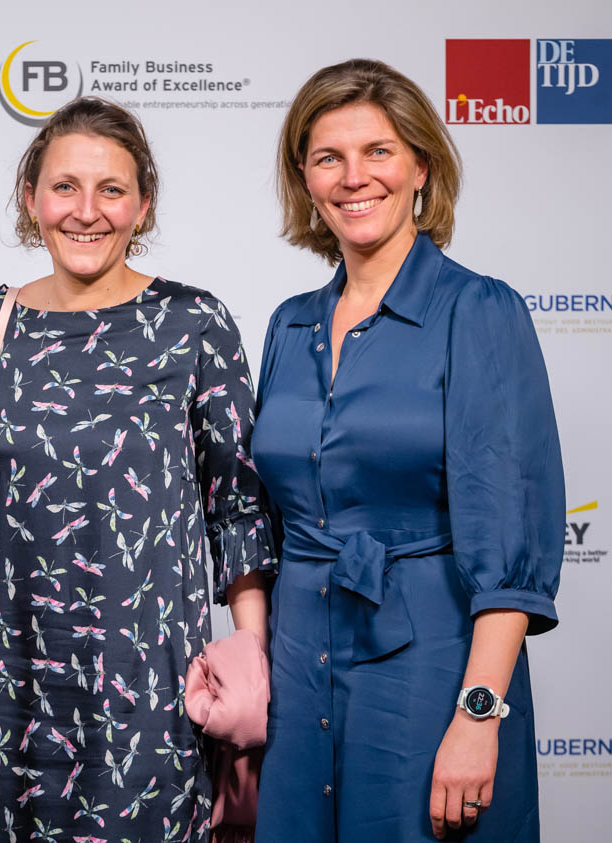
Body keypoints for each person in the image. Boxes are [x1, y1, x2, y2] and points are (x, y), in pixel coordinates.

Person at [0, 96, 276, 842]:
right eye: (65, 187)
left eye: (111, 189)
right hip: (8, 688)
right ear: (31, 200)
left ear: (142, 206)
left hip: (148, 692)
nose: (87, 212)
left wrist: (251, 661)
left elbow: (238, 511)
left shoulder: (194, 323)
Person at [248, 59, 564, 841]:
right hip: (298, 669)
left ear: (421, 166)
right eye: (329, 157)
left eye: (379, 151)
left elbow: (510, 540)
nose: (354, 177)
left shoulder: (478, 311)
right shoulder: (288, 324)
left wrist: (478, 714)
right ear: (306, 179)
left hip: (429, 666)